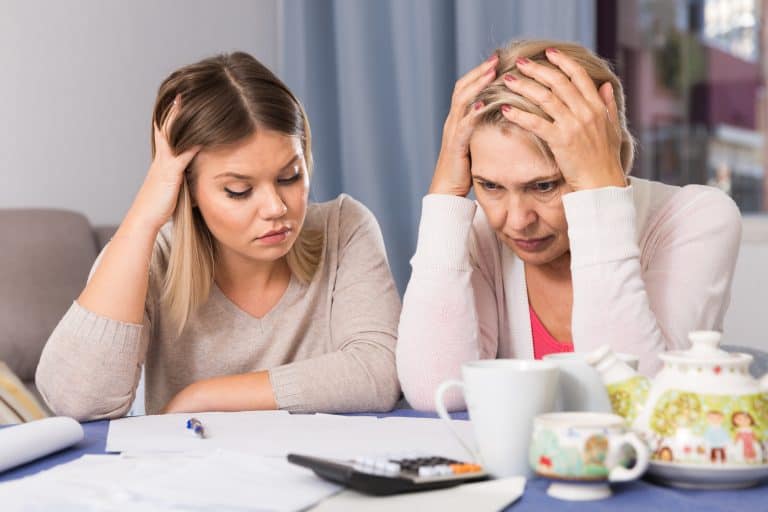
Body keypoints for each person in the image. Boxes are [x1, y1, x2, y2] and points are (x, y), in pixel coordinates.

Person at [36, 52, 401, 420]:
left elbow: (378, 371)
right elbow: (77, 400)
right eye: (239, 191)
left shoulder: (344, 227)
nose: (275, 207)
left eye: (289, 176)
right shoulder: (153, 255)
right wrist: (143, 218)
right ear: (188, 189)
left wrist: (205, 397)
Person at [396, 40, 741, 411]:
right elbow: (436, 392)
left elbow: (634, 400)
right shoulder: (476, 232)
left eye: (544, 186)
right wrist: (444, 198)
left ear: (605, 155)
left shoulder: (697, 218)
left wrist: (600, 195)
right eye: (490, 186)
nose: (516, 221)